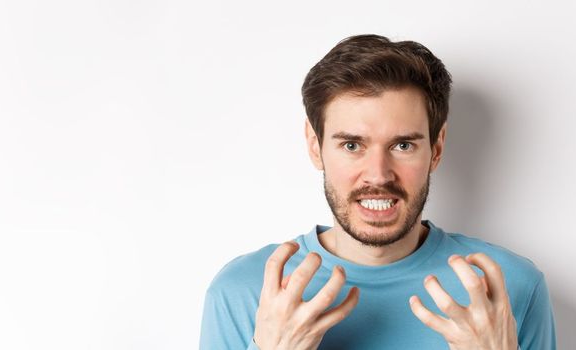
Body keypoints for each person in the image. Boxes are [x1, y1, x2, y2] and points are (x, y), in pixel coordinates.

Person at [198, 34, 556, 350]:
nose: (378, 174)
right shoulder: (243, 292)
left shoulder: (509, 287)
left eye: (402, 145)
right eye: (352, 145)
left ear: (436, 148)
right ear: (314, 145)